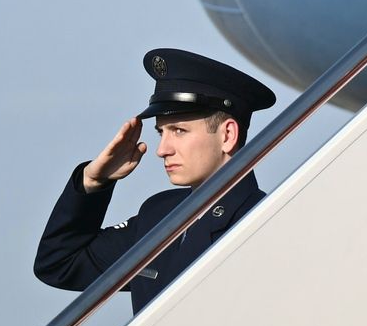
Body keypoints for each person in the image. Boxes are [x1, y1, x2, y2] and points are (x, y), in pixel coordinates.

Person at [32, 48, 280, 311]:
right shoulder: (158, 214)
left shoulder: (262, 223)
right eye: (161, 132)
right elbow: (59, 263)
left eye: (179, 131)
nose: (162, 149)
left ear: (227, 134)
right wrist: (94, 181)